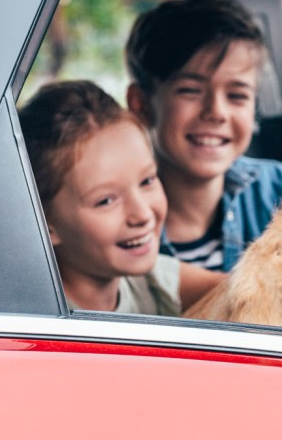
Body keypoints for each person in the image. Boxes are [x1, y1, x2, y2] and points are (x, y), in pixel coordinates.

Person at [18, 80, 224, 314]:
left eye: (147, 181)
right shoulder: (35, 320)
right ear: (45, 224)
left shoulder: (149, 280)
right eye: (106, 200)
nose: (143, 214)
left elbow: (243, 292)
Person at [124, 0, 282, 272]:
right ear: (141, 104)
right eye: (190, 90)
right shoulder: (120, 222)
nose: (216, 112)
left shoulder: (276, 189)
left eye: (237, 95)